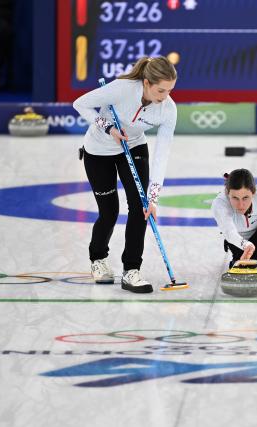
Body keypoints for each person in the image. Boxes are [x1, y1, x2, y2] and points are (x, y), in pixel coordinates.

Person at [72, 56, 177, 293]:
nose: (165, 96)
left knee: (140, 208)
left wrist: (154, 197)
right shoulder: (123, 89)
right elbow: (80, 103)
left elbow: (162, 153)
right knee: (108, 212)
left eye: (170, 90)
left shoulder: (168, 109)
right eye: (161, 90)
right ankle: (98, 259)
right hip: (99, 150)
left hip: (134, 145)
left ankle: (132, 270)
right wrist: (107, 127)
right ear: (147, 83)